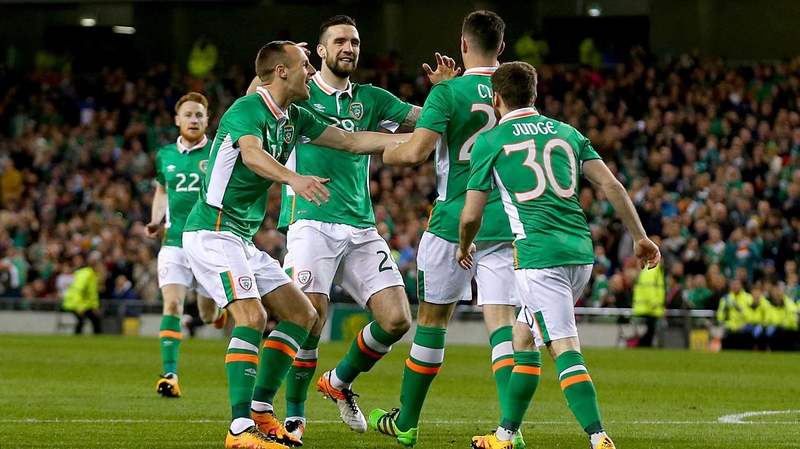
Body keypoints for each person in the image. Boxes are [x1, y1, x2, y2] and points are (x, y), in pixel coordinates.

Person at [182, 41, 411, 449]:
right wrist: (293, 178)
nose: (311, 71)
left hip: (240, 238)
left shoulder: (295, 117)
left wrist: (421, 135)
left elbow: (352, 142)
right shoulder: (245, 110)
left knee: (302, 314)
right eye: (305, 65)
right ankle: (238, 430)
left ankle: (261, 412)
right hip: (211, 231)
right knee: (251, 317)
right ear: (283, 72)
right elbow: (251, 155)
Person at [243, 15, 457, 439]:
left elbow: (424, 121)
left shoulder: (372, 98)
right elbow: (254, 99)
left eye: (355, 42)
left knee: (397, 320)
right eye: (339, 41)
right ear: (318, 51)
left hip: (360, 226)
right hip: (310, 222)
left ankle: (338, 382)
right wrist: (282, 63)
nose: (349, 48)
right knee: (311, 316)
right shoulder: (298, 93)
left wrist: (444, 94)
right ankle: (295, 415)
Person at [461, 62, 660, 449]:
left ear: (496, 98)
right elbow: (612, 184)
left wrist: (465, 243)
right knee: (523, 337)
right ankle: (504, 435)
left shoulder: (491, 141)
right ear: (535, 95)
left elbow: (471, 214)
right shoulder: (568, 133)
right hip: (580, 254)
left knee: (563, 346)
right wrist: (640, 237)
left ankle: (598, 437)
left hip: (539, 257)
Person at [369, 11, 522, 449]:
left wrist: (382, 151)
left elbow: (417, 152)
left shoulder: (447, 92)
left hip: (453, 220)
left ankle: (407, 423)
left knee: (432, 322)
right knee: (502, 325)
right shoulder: (513, 93)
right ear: (502, 48)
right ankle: (511, 429)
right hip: (505, 222)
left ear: (462, 45)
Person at [145, 92, 227, 399]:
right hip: (175, 242)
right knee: (172, 305)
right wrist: (156, 220)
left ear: (207, 120)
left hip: (207, 243)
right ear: (177, 120)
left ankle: (216, 315)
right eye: (188, 115)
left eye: (199, 115)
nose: (193, 120)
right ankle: (170, 375)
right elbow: (162, 191)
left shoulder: (218, 152)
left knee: (207, 316)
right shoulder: (165, 155)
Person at [62, 253, 104, 335]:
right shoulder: (86, 275)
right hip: (73, 302)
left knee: (95, 319)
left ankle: (97, 338)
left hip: (85, 304)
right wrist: (79, 307)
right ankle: (77, 337)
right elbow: (77, 291)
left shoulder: (92, 275)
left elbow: (92, 294)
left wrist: (95, 306)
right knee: (82, 320)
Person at [632, 255, 665, 347]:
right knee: (651, 329)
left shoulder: (651, 271)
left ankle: (645, 345)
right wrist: (654, 304)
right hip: (649, 308)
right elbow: (649, 289)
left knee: (651, 329)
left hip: (646, 307)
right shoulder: (652, 271)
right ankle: (642, 345)